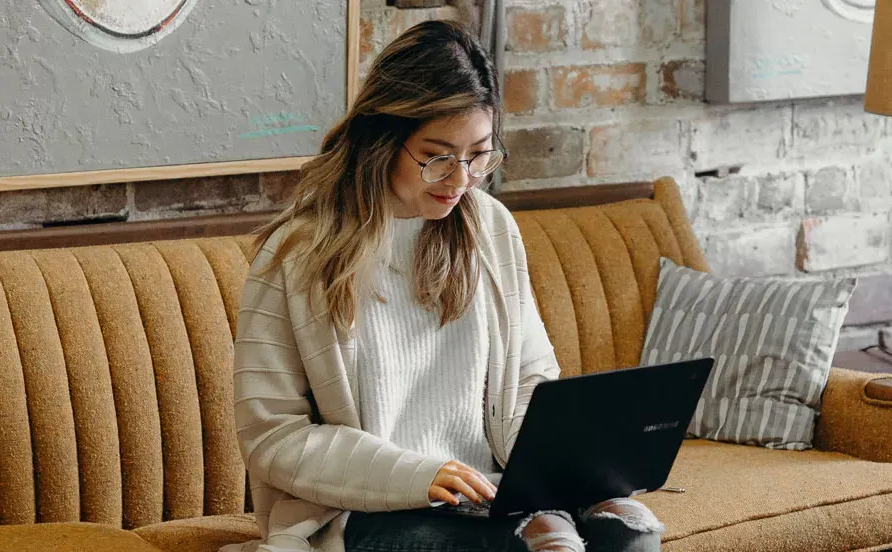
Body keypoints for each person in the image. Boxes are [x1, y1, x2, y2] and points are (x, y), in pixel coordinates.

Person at [226, 19, 664, 552]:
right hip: (363, 511)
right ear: (382, 138)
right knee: (546, 544)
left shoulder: (490, 227)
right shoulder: (298, 254)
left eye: (479, 155)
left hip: (493, 493)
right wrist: (416, 475)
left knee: (631, 531)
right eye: (437, 156)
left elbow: (530, 378)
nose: (461, 180)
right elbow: (274, 437)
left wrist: (572, 466)